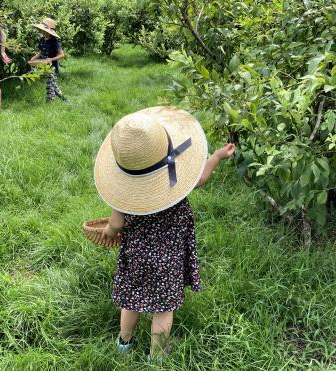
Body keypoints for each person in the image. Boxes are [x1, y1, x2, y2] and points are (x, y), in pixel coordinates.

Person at [93, 106, 236, 361]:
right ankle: (156, 356)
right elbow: (200, 178)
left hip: (135, 254)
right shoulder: (174, 180)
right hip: (168, 257)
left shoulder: (123, 196)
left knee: (130, 300)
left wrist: (106, 231)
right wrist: (215, 156)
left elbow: (115, 225)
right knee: (163, 308)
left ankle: (124, 343)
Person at [29, 17, 68, 103]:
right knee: (52, 84)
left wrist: (51, 59)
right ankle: (63, 98)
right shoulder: (42, 40)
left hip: (52, 67)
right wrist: (34, 58)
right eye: (42, 29)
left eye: (44, 30)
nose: (42, 31)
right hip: (44, 66)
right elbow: (41, 52)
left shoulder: (55, 42)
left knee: (49, 85)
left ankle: (49, 103)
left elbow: (62, 55)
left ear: (49, 31)